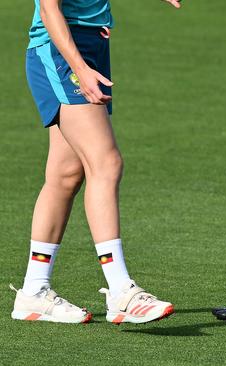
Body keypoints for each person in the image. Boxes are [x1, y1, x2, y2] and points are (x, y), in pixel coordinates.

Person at [10, 0, 181, 324]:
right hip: (61, 49)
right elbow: (49, 9)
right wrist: (80, 68)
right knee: (106, 162)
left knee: (66, 174)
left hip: (90, 43)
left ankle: (33, 290)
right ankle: (121, 291)